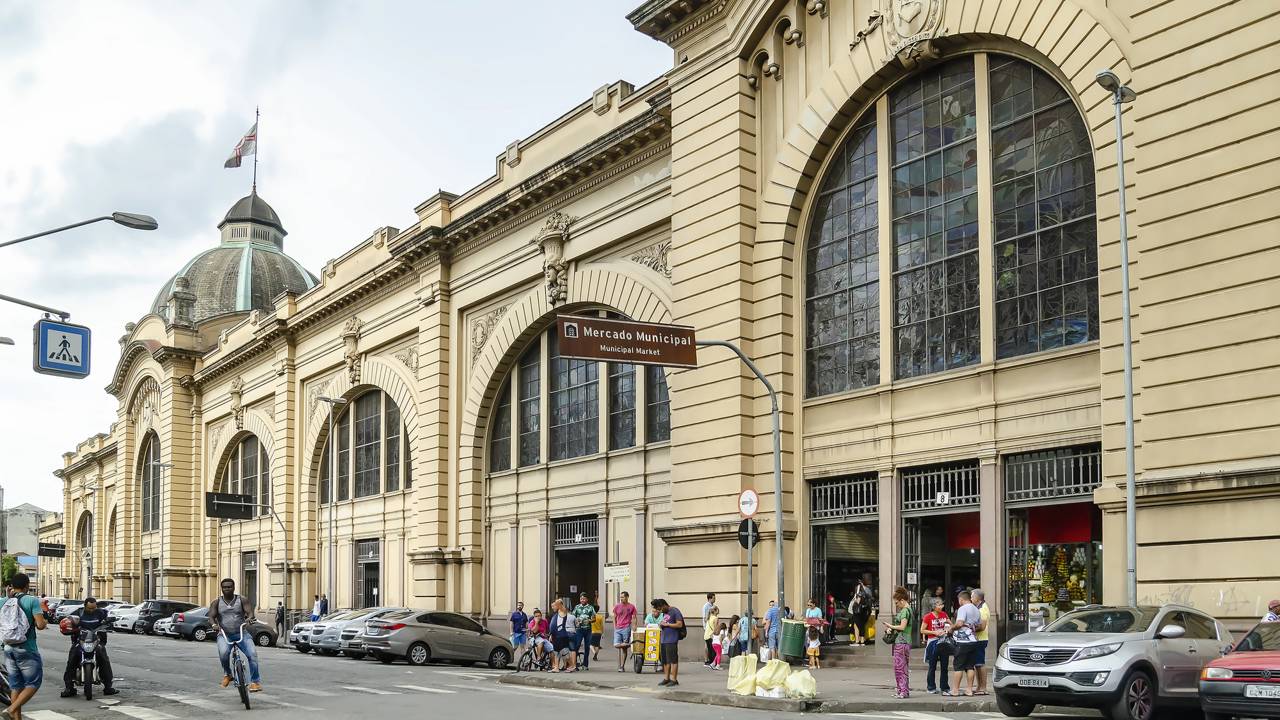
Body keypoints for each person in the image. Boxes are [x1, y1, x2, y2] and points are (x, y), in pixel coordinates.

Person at [2, 573, 48, 720]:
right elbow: (40, 625)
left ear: (11, 586)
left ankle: (16, 718)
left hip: (8, 647)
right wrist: (44, 621)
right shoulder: (31, 601)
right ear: (27, 585)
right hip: (26, 648)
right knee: (34, 683)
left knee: (15, 686)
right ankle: (11, 709)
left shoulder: (3, 601)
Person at [208, 577, 262, 693]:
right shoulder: (216, 602)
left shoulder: (241, 600)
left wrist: (249, 618)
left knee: (252, 654)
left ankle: (255, 682)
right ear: (221, 589)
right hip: (224, 634)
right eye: (224, 587)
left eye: (229, 587)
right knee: (224, 653)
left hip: (242, 633)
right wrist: (214, 625)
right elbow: (211, 617)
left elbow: (250, 612)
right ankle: (228, 674)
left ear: (234, 588)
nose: (227, 589)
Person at [60, 597, 117, 698]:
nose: (92, 610)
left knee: (104, 659)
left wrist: (108, 622)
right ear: (85, 606)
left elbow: (109, 621)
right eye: (89, 608)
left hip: (96, 640)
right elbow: (69, 621)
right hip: (80, 640)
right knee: (72, 659)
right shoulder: (78, 613)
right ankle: (69, 687)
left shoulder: (101, 613)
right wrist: (70, 626)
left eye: (94, 608)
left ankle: (108, 687)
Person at [947, 590, 981, 697]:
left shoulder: (962, 608)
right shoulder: (976, 609)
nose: (959, 602)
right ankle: (969, 690)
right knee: (970, 666)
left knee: (959, 666)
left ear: (961, 599)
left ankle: (955, 690)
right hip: (973, 640)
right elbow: (979, 626)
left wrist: (951, 628)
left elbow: (960, 623)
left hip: (963, 641)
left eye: (959, 600)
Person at [882, 586, 914, 699]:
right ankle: (902, 690)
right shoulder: (908, 610)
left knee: (900, 667)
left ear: (902, 600)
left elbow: (902, 626)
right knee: (901, 667)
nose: (896, 605)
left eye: (896, 603)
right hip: (904, 641)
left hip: (902, 642)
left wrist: (890, 626)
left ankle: (903, 691)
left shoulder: (905, 611)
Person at [921, 597, 951, 694]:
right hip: (932, 641)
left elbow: (950, 624)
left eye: (942, 604)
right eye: (939, 604)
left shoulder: (944, 614)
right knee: (932, 665)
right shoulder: (928, 617)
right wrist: (934, 632)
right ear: (934, 606)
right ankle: (931, 687)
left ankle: (944, 687)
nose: (941, 606)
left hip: (943, 641)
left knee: (944, 665)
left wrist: (947, 629)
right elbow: (922, 630)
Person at [653, 598, 684, 687]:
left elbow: (679, 624)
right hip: (663, 639)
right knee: (665, 661)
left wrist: (668, 625)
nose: (660, 611)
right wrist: (661, 624)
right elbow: (665, 622)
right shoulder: (664, 613)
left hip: (672, 639)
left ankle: (674, 679)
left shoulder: (674, 611)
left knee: (673, 660)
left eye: (660, 609)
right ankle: (666, 678)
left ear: (664, 605)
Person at [549, 599, 577, 673]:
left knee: (564, 652)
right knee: (556, 652)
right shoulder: (555, 615)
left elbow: (562, 608)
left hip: (561, 635)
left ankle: (572, 666)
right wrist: (551, 635)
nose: (552, 607)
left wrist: (559, 602)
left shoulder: (562, 612)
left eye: (554, 606)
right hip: (555, 635)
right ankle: (556, 667)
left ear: (558, 605)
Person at [972, 588, 991, 696]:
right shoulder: (979, 607)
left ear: (977, 598)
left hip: (981, 638)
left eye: (972, 596)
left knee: (980, 663)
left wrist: (970, 628)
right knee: (977, 664)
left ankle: (983, 688)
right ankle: (979, 687)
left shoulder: (983, 609)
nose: (971, 598)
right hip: (978, 639)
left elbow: (982, 626)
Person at [612, 591, 636, 672]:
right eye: (620, 597)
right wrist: (615, 626)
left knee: (624, 649)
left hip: (626, 628)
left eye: (623, 597)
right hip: (618, 628)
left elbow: (634, 617)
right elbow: (614, 617)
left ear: (627, 597)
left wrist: (634, 626)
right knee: (616, 645)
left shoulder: (631, 606)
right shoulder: (617, 606)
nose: (621, 599)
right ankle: (628, 643)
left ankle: (622, 666)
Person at [571, 593, 595, 669]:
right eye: (581, 599)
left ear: (587, 599)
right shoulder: (577, 607)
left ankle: (585, 664)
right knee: (577, 645)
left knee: (587, 647)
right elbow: (573, 617)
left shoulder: (590, 608)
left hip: (588, 629)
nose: (582, 600)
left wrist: (590, 620)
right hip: (579, 630)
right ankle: (574, 663)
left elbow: (594, 618)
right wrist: (577, 621)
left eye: (584, 599)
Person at [848, 580, 872, 645]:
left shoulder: (859, 590)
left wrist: (854, 601)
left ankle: (857, 641)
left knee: (856, 625)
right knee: (862, 625)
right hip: (865, 610)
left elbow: (858, 600)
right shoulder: (868, 590)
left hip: (858, 610)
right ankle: (862, 641)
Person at [701, 593, 716, 666]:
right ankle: (706, 660)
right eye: (713, 598)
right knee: (707, 644)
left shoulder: (712, 606)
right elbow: (705, 618)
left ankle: (711, 659)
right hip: (707, 628)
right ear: (709, 598)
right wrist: (706, 626)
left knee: (710, 644)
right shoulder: (706, 606)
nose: (715, 599)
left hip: (711, 627)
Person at [590, 594, 604, 661]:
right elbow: (602, 626)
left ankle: (594, 652)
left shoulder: (591, 616)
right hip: (599, 632)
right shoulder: (600, 617)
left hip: (592, 632)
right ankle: (596, 655)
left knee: (591, 645)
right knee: (597, 645)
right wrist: (602, 633)